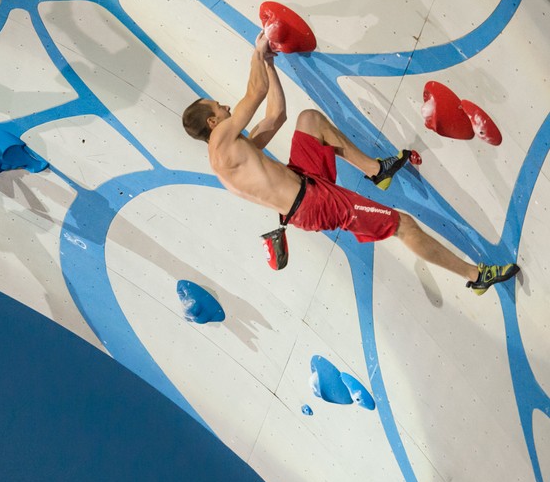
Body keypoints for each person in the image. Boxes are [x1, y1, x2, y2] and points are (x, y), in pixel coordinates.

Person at [181, 34, 519, 295]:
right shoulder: (221, 145)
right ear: (211, 122)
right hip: (314, 204)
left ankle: (377, 171)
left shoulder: (233, 153)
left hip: (304, 181)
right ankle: (476, 277)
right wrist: (257, 50)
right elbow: (255, 93)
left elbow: (276, 115)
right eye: (219, 107)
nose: (225, 107)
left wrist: (269, 63)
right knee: (403, 224)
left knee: (309, 119)